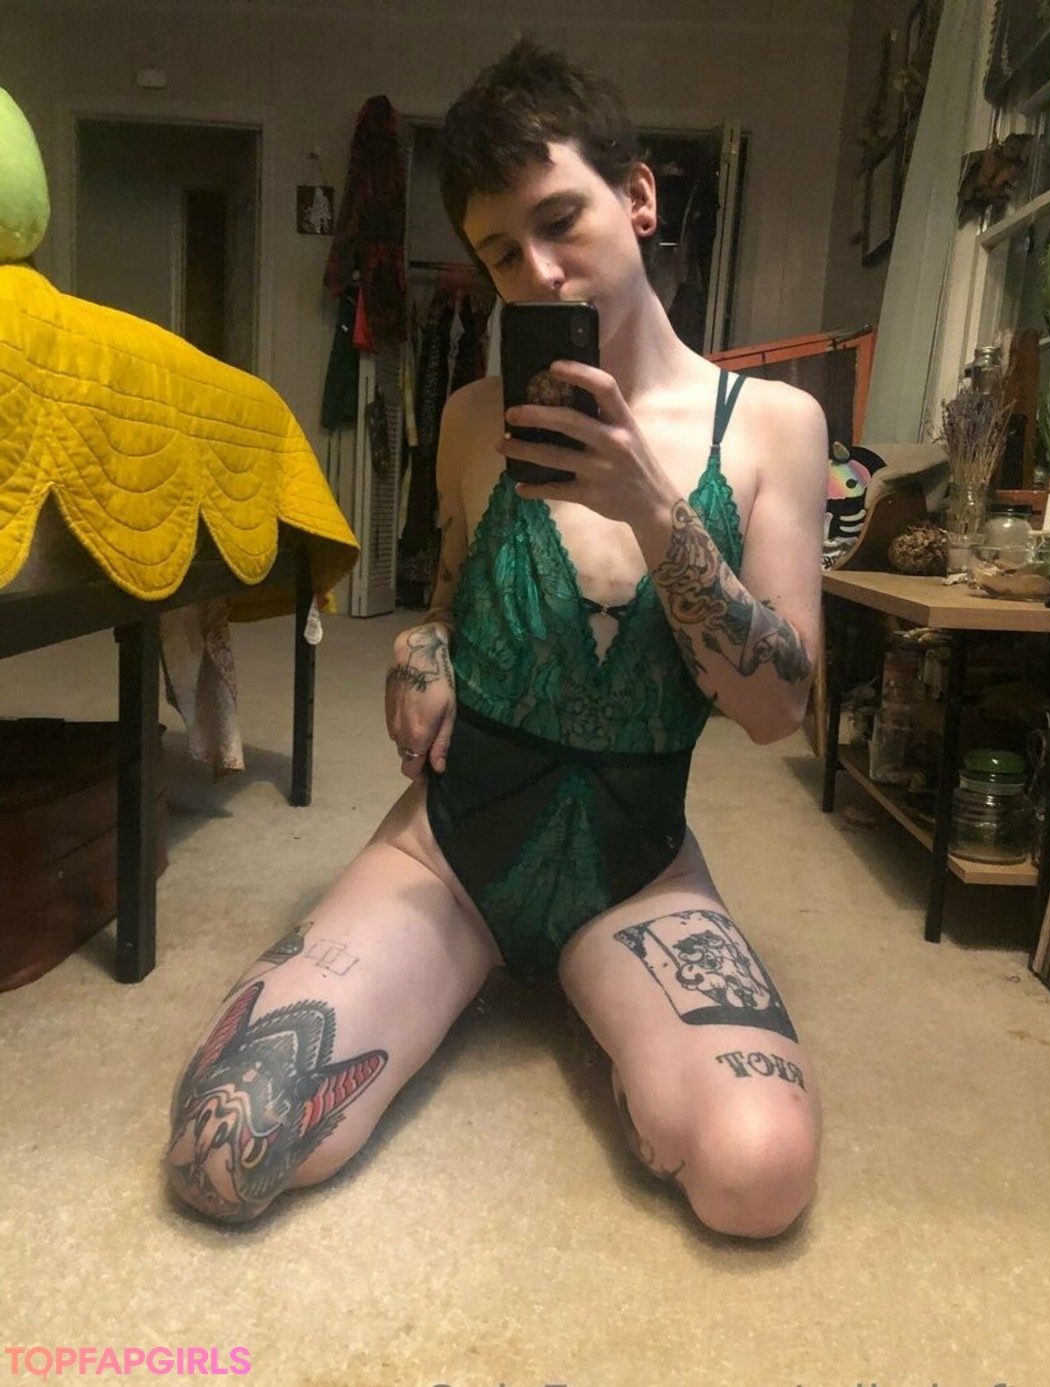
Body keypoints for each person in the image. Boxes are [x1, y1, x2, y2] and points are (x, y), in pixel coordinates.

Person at [166, 38, 828, 1238]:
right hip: (455, 843)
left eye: (560, 220)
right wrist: (420, 657)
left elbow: (780, 708)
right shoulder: (476, 419)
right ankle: (496, 973)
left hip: (635, 862)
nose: (539, 271)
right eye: (500, 252)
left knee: (758, 1174)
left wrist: (652, 507)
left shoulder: (774, 426)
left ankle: (598, 992)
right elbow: (449, 603)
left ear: (638, 197)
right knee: (224, 1147)